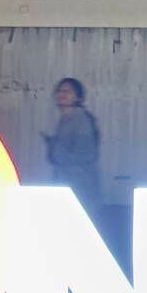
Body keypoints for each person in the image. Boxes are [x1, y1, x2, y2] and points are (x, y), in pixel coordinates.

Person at [43, 77, 101, 212]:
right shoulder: (66, 119)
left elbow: (88, 155)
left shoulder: (82, 120)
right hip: (67, 186)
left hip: (80, 189)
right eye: (60, 90)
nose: (62, 94)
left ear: (78, 97)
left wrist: (55, 149)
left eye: (67, 91)